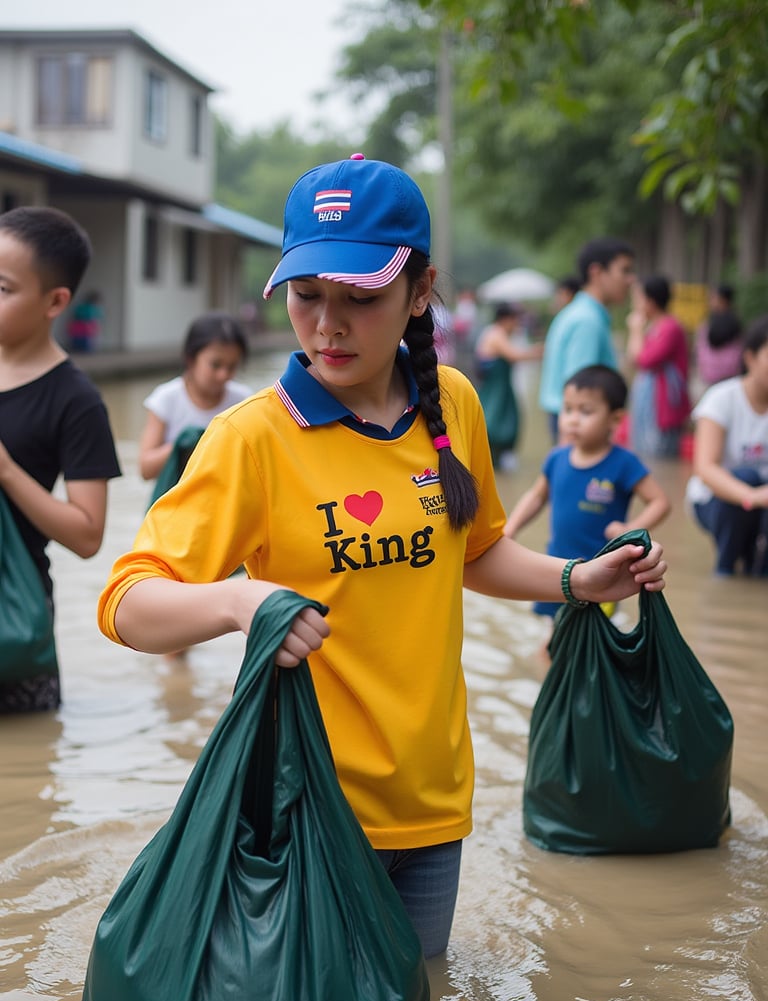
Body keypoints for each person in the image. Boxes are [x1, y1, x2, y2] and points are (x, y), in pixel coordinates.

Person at [97, 155, 667, 958]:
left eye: (360, 299)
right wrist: (237, 604)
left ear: (420, 291)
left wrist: (577, 580)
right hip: (310, 810)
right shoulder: (252, 439)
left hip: (434, 797)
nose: (327, 325)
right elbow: (124, 602)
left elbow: (474, 554)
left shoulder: (455, 405)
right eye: (306, 296)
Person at [0, 206, 121, 713]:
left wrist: (5, 469)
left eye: (3, 288)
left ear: (55, 301)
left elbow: (88, 534)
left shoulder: (75, 400)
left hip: (13, 616)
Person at [503, 364, 670, 621]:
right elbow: (537, 496)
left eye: (586, 411)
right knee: (552, 638)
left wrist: (632, 527)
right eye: (568, 409)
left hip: (603, 577)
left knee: (593, 640)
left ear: (615, 419)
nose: (572, 419)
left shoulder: (624, 463)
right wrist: (511, 528)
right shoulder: (556, 458)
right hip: (555, 571)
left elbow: (660, 502)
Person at [686, 313, 768, 576]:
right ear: (750, 358)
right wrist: (752, 497)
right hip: (716, 500)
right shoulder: (721, 398)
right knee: (747, 476)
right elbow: (705, 469)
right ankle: (725, 569)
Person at [539, 237, 635, 444]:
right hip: (577, 430)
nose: (630, 280)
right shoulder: (587, 321)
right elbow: (580, 394)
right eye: (624, 271)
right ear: (597, 272)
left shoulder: (580, 313)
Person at [138, 311, 251, 485]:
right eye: (215, 365)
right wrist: (185, 445)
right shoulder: (166, 399)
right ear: (191, 359)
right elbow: (146, 469)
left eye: (232, 366)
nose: (223, 375)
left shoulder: (243, 401)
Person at [625, 275, 690, 459]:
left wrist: (635, 330)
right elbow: (633, 359)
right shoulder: (655, 327)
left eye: (638, 299)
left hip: (663, 406)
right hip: (650, 405)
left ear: (651, 301)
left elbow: (644, 360)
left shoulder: (670, 328)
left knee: (660, 456)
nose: (635, 305)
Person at [473, 302, 544, 470]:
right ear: (505, 319)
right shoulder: (496, 334)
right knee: (493, 422)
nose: (517, 325)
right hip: (495, 390)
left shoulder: (497, 333)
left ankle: (495, 461)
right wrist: (539, 352)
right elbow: (514, 355)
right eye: (515, 320)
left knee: (504, 421)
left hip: (501, 389)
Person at [694, 284, 743, 388]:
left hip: (723, 377)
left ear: (724, 300)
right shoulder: (711, 320)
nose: (710, 301)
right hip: (712, 376)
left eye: (713, 297)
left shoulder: (730, 322)